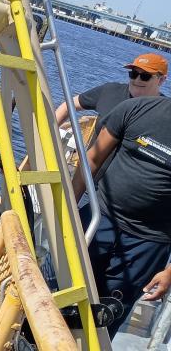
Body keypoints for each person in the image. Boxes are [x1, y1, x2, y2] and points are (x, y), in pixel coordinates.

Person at [71, 95, 171, 336]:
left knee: (106, 315)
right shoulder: (136, 108)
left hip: (148, 244)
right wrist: (67, 214)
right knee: (63, 287)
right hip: (99, 218)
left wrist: (169, 272)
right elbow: (92, 160)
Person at [54, 52, 167, 128]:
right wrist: (49, 132)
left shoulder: (165, 110)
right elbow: (68, 105)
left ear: (161, 80)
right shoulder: (109, 91)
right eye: (133, 74)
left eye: (145, 76)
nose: (137, 80)